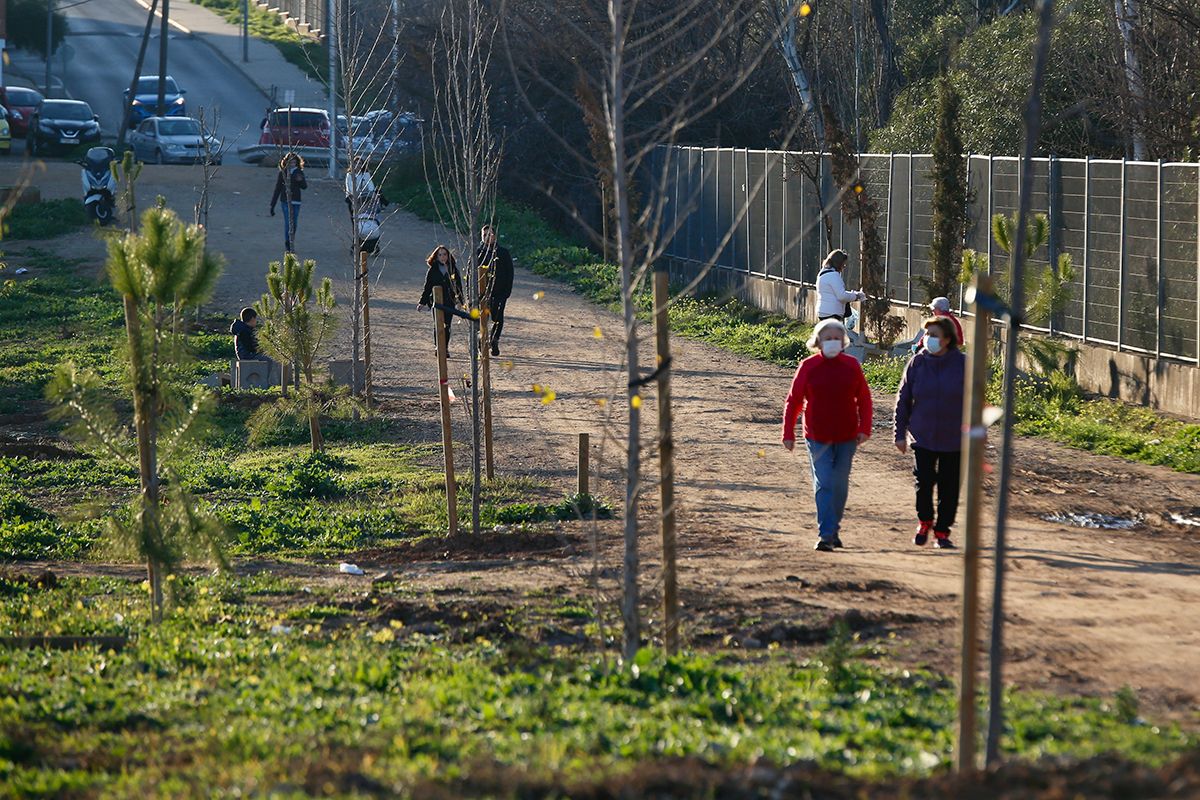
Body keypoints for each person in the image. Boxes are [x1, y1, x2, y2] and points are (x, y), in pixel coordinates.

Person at [781, 318, 874, 552]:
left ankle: (834, 528)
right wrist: (788, 432)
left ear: (843, 342)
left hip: (847, 436)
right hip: (817, 435)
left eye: (836, 338)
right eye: (827, 338)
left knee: (840, 485)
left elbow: (863, 399)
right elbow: (794, 401)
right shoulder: (808, 366)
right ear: (818, 341)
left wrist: (865, 428)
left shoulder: (852, 365)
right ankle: (825, 534)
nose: (832, 342)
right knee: (824, 483)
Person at [894, 317, 966, 549]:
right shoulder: (917, 363)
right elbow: (903, 399)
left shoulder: (963, 364)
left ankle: (942, 532)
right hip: (923, 436)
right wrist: (900, 432)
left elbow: (976, 401)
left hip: (954, 438)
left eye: (934, 335)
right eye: (927, 334)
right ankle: (924, 521)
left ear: (947, 339)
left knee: (949, 487)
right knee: (923, 483)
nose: (928, 339)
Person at [475, 225, 514, 356]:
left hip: (499, 292)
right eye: (484, 235)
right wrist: (472, 293)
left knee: (498, 317)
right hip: (482, 293)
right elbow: (471, 274)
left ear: (494, 236)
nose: (487, 237)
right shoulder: (478, 253)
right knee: (482, 318)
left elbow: (510, 273)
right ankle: (482, 341)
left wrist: (507, 292)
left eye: (489, 234)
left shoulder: (503, 253)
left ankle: (494, 339)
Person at [417, 245, 465, 350]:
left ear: (448, 256)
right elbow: (427, 287)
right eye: (440, 255)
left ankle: (445, 348)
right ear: (436, 257)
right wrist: (422, 302)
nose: (442, 257)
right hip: (436, 301)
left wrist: (461, 302)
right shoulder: (432, 270)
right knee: (438, 325)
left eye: (444, 254)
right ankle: (438, 347)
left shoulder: (453, 269)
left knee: (447, 325)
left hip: (449, 302)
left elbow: (458, 287)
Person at [269, 153, 307, 252]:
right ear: (286, 162)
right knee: (288, 222)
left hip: (296, 201)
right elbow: (277, 188)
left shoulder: (299, 172)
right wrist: (272, 205)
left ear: (297, 163)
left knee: (294, 223)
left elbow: (304, 186)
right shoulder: (283, 173)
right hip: (285, 201)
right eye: (291, 162)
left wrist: (300, 180)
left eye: (294, 162)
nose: (293, 164)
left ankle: (291, 241)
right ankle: (288, 244)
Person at [816, 249, 865, 322]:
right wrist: (856, 296)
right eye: (843, 264)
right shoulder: (834, 276)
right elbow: (842, 296)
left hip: (822, 311)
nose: (844, 266)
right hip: (832, 312)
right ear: (838, 263)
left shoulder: (822, 274)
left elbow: (835, 293)